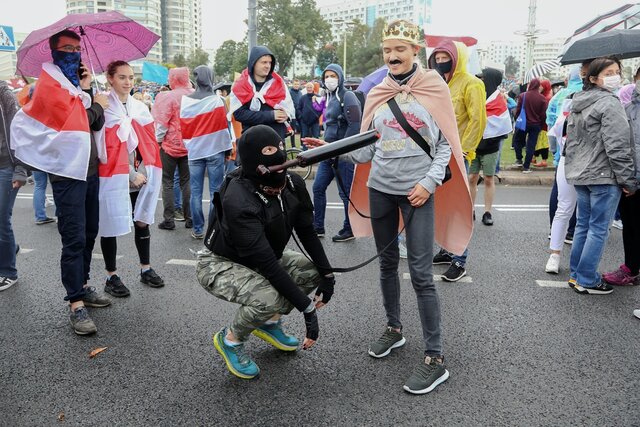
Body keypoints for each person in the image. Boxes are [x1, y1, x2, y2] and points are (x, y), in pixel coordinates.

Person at [307, 19, 472, 395]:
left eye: (400, 49)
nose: (393, 56)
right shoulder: (378, 92)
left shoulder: (434, 88)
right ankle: (394, 329)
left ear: (416, 52)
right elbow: (368, 149)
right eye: (387, 50)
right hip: (380, 189)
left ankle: (435, 357)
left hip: (417, 193)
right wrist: (334, 149)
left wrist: (427, 183)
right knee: (385, 264)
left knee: (420, 274)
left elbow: (447, 145)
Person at [196, 125, 336, 380]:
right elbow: (269, 266)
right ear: (253, 160)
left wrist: (328, 276)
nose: (280, 155)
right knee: (270, 297)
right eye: (270, 150)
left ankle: (269, 323)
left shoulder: (292, 183)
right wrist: (307, 308)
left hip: (264, 255)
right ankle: (230, 340)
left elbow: (307, 232)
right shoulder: (238, 198)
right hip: (221, 263)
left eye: (281, 147)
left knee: (310, 272)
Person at [11, 29, 112, 334]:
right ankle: (75, 304)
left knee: (90, 231)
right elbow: (80, 122)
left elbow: (94, 121)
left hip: (90, 170)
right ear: (54, 52)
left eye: (77, 48)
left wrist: (88, 94)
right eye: (67, 48)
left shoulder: (78, 86)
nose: (74, 53)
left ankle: (82, 284)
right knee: (74, 237)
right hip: (67, 175)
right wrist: (97, 105)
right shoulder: (49, 85)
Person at [564, 57, 637, 295]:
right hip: (604, 175)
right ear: (594, 78)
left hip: (583, 174)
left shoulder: (579, 101)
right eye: (609, 72)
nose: (616, 75)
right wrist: (628, 180)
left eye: (617, 71)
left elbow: (572, 143)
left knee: (584, 226)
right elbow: (617, 146)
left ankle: (576, 275)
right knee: (598, 229)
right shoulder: (610, 103)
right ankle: (587, 278)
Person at [98, 60, 165, 297]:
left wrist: (145, 172)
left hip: (141, 173)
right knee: (110, 223)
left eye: (131, 78)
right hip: (114, 175)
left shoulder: (139, 107)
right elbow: (103, 147)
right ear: (110, 78)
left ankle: (145, 269)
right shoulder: (103, 107)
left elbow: (147, 141)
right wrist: (129, 173)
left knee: (142, 220)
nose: (128, 82)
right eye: (122, 77)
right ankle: (111, 275)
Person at [428, 39, 486, 282]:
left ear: (457, 57)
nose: (441, 62)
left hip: (458, 155)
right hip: (437, 155)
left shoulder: (472, 84)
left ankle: (460, 260)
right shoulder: (439, 84)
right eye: (437, 58)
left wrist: (465, 151)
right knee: (442, 206)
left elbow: (477, 120)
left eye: (446, 58)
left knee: (458, 208)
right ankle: (446, 248)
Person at [180, 65, 233, 239]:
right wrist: (227, 150)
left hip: (195, 152)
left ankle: (197, 229)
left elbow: (184, 128)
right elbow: (224, 129)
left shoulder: (186, 101)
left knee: (195, 192)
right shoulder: (217, 101)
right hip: (215, 151)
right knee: (215, 192)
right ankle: (213, 228)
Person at [312, 64, 361, 242]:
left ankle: (349, 229)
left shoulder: (347, 96)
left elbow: (355, 124)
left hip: (343, 155)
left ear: (340, 77)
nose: (329, 79)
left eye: (333, 75)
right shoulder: (329, 96)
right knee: (317, 188)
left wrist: (341, 149)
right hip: (327, 152)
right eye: (326, 76)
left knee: (345, 193)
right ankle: (318, 227)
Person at [600, 74, 640, 286]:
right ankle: (631, 268)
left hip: (634, 179)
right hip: (629, 177)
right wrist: (627, 178)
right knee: (631, 226)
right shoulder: (628, 108)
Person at [151, 67, 194, 231]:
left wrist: (158, 141)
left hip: (169, 146)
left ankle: (169, 219)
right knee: (187, 181)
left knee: (167, 182)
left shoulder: (168, 97)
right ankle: (190, 218)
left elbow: (162, 124)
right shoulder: (194, 95)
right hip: (190, 145)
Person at [470, 68, 512, 226]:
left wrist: (490, 137)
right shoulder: (476, 95)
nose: (480, 79)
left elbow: (503, 126)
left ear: (491, 80)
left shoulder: (499, 101)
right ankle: (470, 209)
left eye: (483, 77)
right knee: (471, 178)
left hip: (491, 147)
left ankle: (487, 212)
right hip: (473, 146)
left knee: (488, 179)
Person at [228, 46, 295, 141]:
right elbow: (239, 114)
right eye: (264, 62)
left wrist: (286, 116)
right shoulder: (242, 85)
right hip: (252, 139)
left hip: (276, 138)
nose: (268, 66)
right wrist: (270, 116)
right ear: (254, 63)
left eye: (270, 62)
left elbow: (287, 109)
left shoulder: (278, 83)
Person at [0, 81, 27, 291]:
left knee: (1, 219)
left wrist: (20, 169)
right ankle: (11, 247)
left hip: (6, 166)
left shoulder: (5, 95)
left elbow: (18, 133)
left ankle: (9, 271)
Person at [512, 78, 548, 173]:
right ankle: (526, 166)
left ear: (530, 85)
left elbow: (518, 110)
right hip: (535, 124)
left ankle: (519, 159)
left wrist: (517, 119)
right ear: (538, 86)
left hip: (523, 123)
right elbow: (543, 114)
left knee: (517, 140)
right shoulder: (542, 98)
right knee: (531, 145)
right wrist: (541, 124)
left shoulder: (523, 95)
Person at [289, 79, 302, 146]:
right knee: (293, 130)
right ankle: (293, 145)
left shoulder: (300, 92)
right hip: (292, 113)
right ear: (292, 84)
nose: (296, 85)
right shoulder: (289, 92)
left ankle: (302, 144)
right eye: (295, 84)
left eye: (297, 84)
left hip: (299, 113)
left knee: (302, 128)